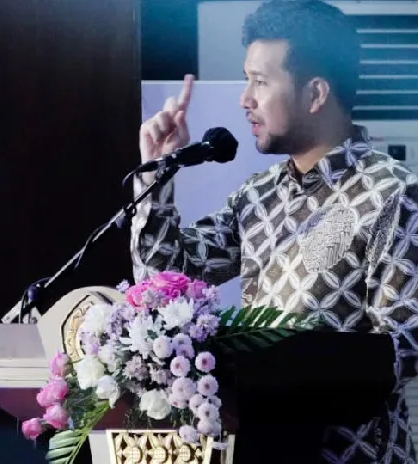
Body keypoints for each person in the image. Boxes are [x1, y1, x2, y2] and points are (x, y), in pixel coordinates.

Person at [131, 0, 418, 463]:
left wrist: (285, 364)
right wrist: (158, 173)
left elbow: (404, 347)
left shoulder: (394, 193)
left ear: (315, 93)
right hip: (259, 448)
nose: (245, 99)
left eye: (260, 82)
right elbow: (163, 283)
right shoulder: (258, 194)